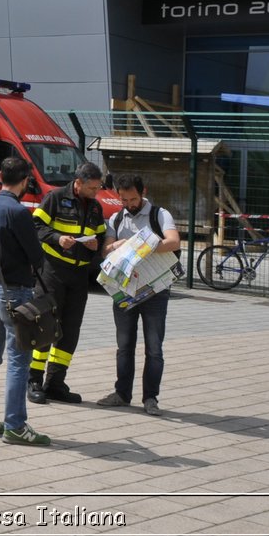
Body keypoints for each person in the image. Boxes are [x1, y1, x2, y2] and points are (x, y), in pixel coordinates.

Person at [0, 155, 51, 447]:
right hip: (15, 293)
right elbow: (36, 257)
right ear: (26, 181)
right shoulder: (19, 213)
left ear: (0, 176)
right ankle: (15, 425)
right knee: (18, 361)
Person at [98, 172, 180, 416]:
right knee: (124, 346)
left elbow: (174, 242)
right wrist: (116, 246)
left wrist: (143, 245)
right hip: (125, 291)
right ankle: (122, 393)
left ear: (143, 193)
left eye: (132, 199)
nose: (128, 205)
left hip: (155, 290)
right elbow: (106, 250)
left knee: (154, 348)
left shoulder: (160, 214)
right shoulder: (116, 218)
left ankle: (150, 397)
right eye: (123, 200)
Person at [28, 161, 107, 404]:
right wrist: (57, 238)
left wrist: (96, 245)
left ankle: (56, 382)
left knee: (70, 331)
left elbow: (101, 235)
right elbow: (36, 225)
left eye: (98, 188)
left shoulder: (95, 207)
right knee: (45, 325)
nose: (96, 193)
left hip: (79, 276)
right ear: (79, 182)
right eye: (92, 188)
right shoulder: (55, 197)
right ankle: (33, 380)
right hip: (53, 271)